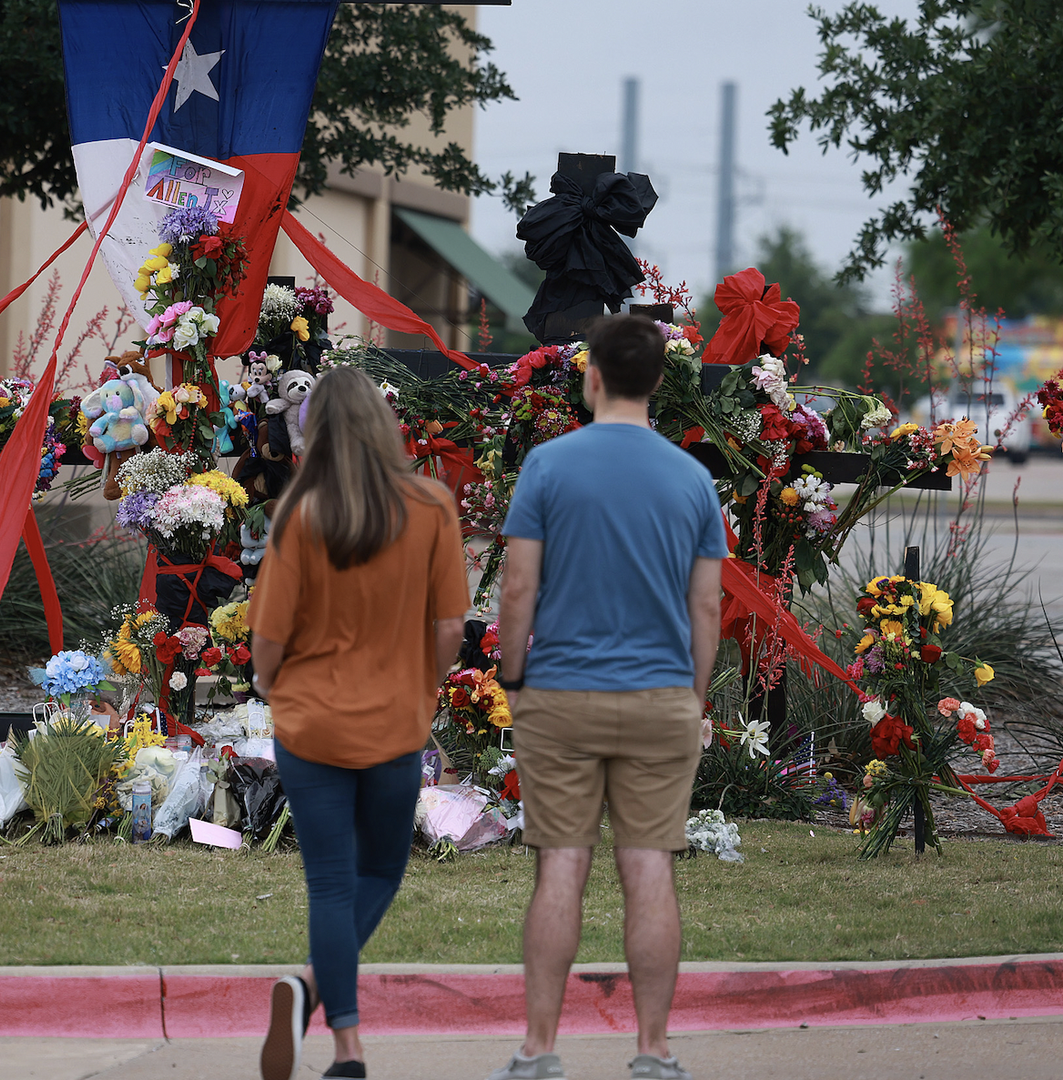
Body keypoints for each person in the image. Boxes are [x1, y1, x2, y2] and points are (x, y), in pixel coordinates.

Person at [487, 314, 725, 1080]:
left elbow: (518, 585)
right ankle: (653, 1051)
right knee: (648, 865)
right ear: (658, 383)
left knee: (562, 865)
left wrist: (514, 676)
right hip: (660, 695)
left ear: (591, 376)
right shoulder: (692, 479)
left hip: (559, 694)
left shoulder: (548, 468)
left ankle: (539, 1050)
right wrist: (691, 695)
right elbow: (707, 608)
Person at [248, 366, 470, 1080]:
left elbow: (270, 641)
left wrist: (269, 683)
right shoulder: (432, 506)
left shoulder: (302, 514)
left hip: (310, 724)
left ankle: (345, 1044)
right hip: (395, 722)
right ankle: (307, 988)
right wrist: (427, 686)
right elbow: (449, 626)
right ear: (383, 427)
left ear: (313, 435)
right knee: (379, 872)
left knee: (331, 885)